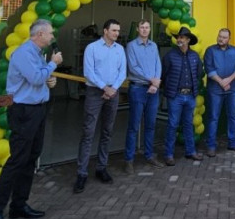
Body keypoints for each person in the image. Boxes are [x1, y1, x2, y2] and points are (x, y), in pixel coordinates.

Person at [0, 19, 61, 219]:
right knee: (17, 158)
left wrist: (50, 80)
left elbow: (39, 78)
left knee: (31, 156)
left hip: (37, 109)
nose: (52, 37)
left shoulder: (37, 53)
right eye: (50, 33)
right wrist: (53, 64)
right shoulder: (23, 53)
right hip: (23, 111)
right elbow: (36, 78)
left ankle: (19, 204)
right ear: (38, 34)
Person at [74, 19, 126, 194]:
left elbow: (122, 72)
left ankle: (101, 168)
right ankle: (81, 173)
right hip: (95, 92)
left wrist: (113, 89)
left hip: (113, 92)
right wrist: (105, 88)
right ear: (105, 31)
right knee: (88, 132)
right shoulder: (92, 48)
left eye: (118, 31)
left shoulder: (120, 50)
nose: (117, 34)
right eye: (114, 30)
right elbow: (89, 72)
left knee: (107, 132)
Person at [123, 20, 165, 174]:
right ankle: (129, 159)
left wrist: (156, 83)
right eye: (142, 27)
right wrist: (151, 79)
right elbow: (133, 67)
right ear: (137, 29)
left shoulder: (154, 46)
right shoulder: (131, 46)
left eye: (147, 27)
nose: (145, 30)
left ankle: (149, 155)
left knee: (150, 124)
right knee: (134, 126)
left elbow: (157, 64)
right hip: (138, 89)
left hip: (153, 90)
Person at [161, 26, 205, 165]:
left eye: (182, 37)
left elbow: (199, 73)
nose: (179, 39)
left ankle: (190, 151)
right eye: (178, 37)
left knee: (188, 124)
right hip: (175, 96)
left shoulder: (194, 56)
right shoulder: (170, 55)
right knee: (173, 124)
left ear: (188, 40)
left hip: (190, 95)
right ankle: (169, 154)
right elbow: (164, 74)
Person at [204, 28, 235, 156]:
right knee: (213, 118)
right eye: (219, 36)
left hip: (232, 89)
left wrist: (228, 80)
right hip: (215, 90)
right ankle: (211, 146)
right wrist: (221, 82)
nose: (221, 39)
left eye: (224, 37)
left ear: (229, 39)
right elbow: (208, 68)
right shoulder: (210, 50)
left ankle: (233, 143)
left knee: (233, 116)